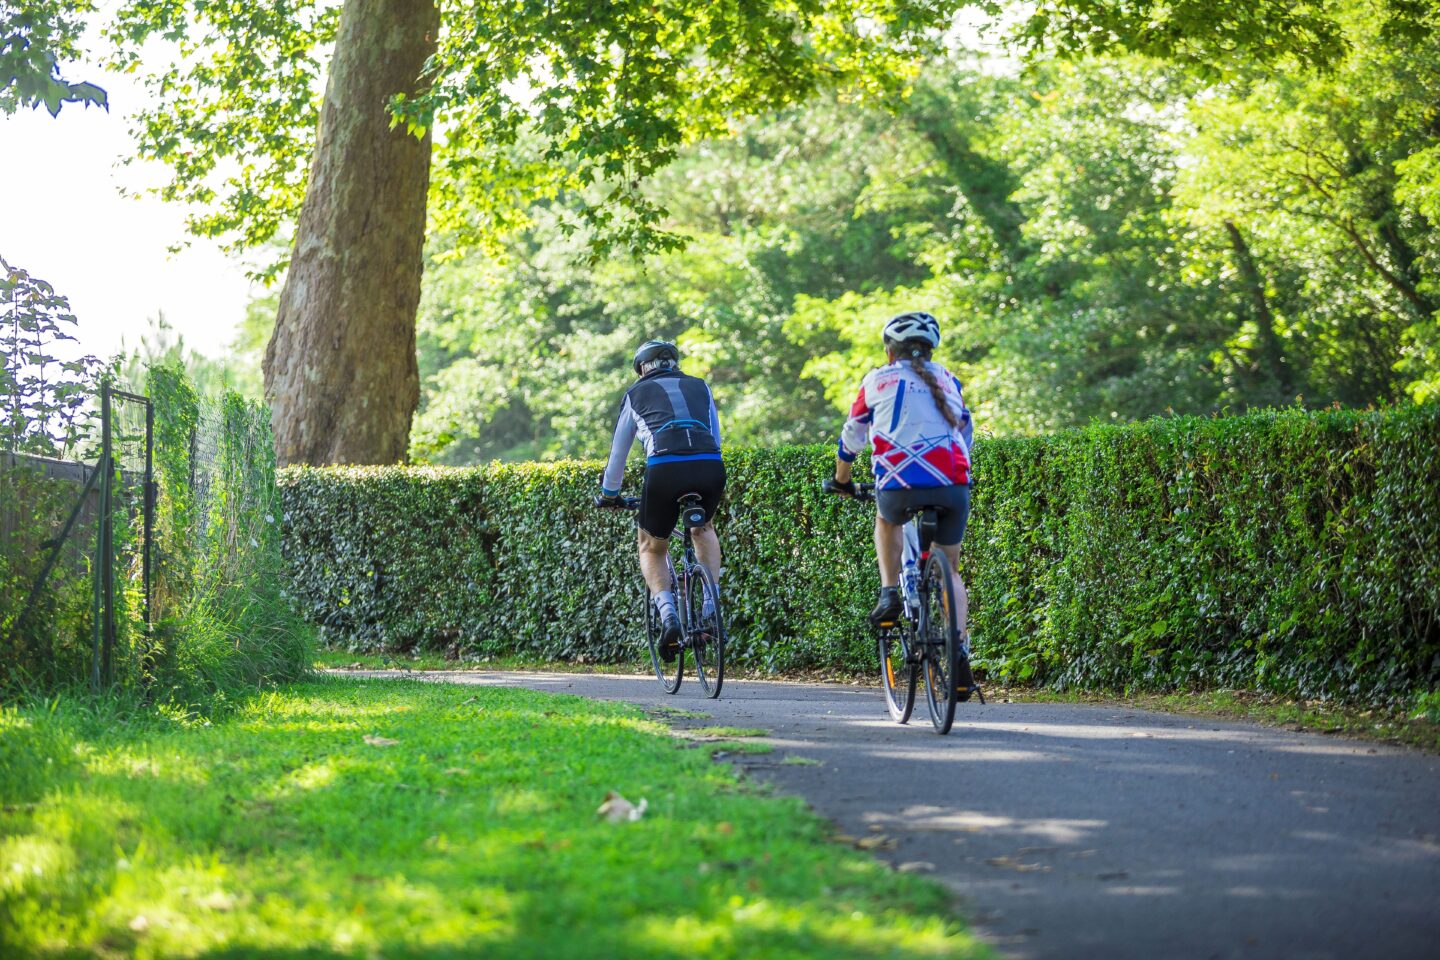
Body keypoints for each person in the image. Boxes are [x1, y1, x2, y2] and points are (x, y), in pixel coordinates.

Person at [824, 310, 974, 643]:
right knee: (950, 571)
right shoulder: (949, 379)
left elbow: (852, 436)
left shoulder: (876, 380)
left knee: (886, 518)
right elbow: (965, 431)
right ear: (931, 350)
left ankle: (889, 591)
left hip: (898, 484)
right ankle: (960, 650)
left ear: (889, 352)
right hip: (952, 484)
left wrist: (842, 479)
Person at [595, 340, 725, 660]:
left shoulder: (635, 394)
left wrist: (610, 494)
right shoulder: (700, 386)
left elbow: (618, 454)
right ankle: (711, 607)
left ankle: (668, 616)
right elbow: (716, 438)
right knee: (703, 528)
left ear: (641, 368)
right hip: (710, 465)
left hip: (665, 469)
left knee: (652, 546)